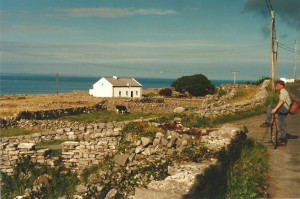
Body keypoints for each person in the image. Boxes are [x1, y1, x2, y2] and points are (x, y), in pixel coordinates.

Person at [260, 80, 291, 145]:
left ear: (281, 86)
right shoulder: (282, 92)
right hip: (285, 109)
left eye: (277, 85)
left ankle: (267, 122)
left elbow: (281, 101)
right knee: (282, 124)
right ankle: (283, 140)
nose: (276, 86)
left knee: (270, 106)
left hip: (284, 108)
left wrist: (275, 109)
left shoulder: (283, 92)